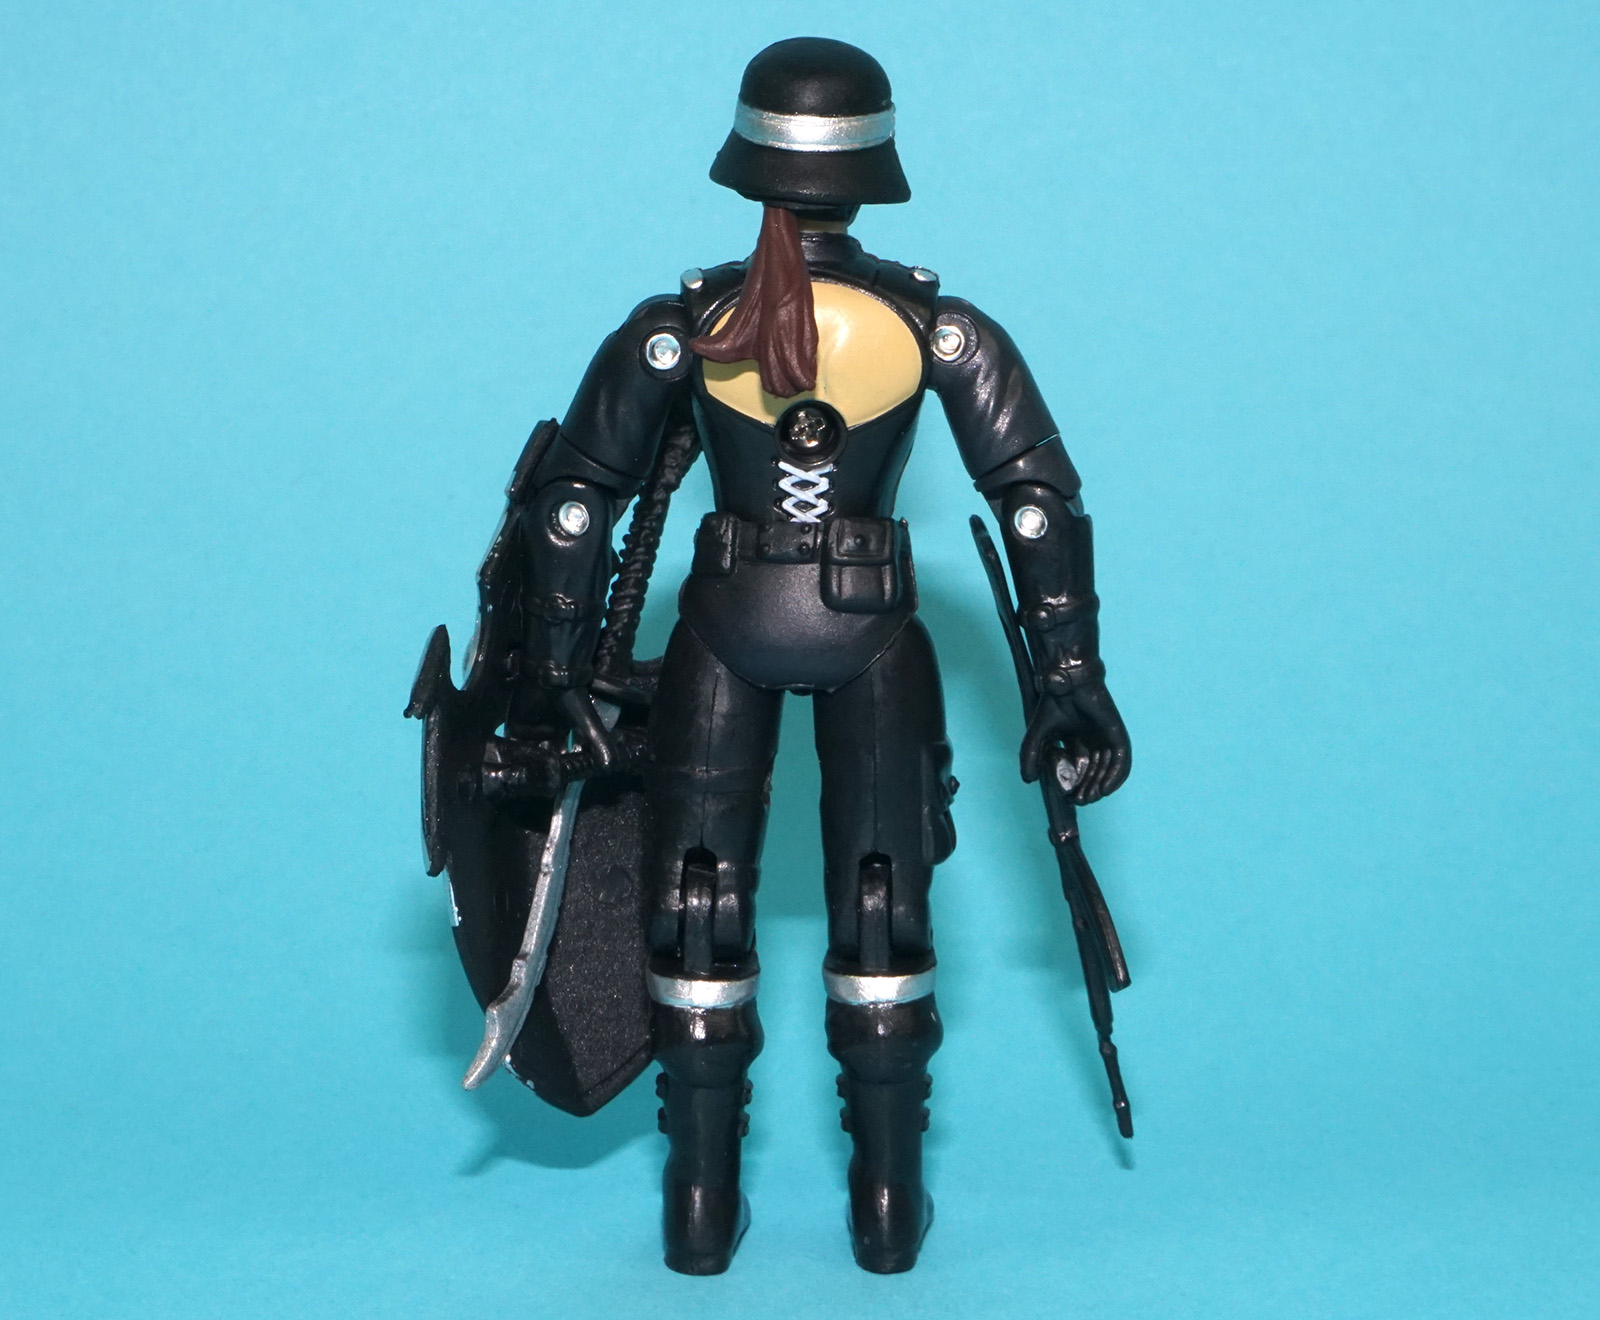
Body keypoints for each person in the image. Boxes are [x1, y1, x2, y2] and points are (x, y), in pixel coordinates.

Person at [511, 37, 1131, 1274]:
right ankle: (886, 1207)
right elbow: (1035, 507)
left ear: (748, 165)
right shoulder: (938, 329)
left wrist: (553, 669)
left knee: (697, 906)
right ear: (871, 171)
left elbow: (574, 504)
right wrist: (1070, 679)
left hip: (725, 624)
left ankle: (697, 1208)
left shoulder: (685, 329)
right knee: (882, 904)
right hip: (874, 628)